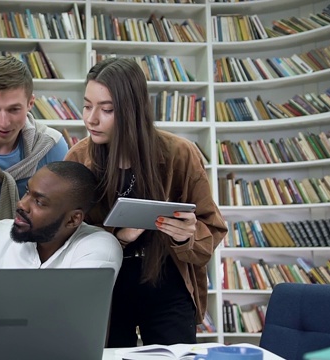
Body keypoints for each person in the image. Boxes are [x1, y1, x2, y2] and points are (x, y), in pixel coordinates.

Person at [65, 58, 227, 346]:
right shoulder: (79, 158)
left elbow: (212, 228)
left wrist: (186, 236)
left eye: (107, 109)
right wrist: (117, 238)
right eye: (87, 105)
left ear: (132, 110)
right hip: (107, 283)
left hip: (167, 278)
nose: (91, 119)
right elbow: (65, 236)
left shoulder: (179, 153)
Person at [0, 56, 69, 237]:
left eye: (14, 110)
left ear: (30, 103)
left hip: (30, 254)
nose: (4, 122)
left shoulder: (52, 146)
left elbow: (63, 216)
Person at [0, 161, 122, 277]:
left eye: (39, 202)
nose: (21, 204)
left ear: (73, 219)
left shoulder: (98, 247)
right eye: (27, 191)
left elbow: (68, 313)